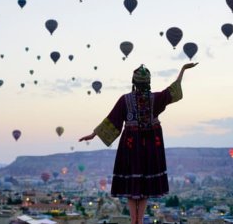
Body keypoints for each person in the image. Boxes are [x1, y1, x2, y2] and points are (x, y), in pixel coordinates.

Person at [79, 63, 198, 224]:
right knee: (145, 186)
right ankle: (139, 220)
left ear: (133, 82)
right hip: (150, 147)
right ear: (148, 82)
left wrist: (94, 134)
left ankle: (134, 219)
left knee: (132, 184)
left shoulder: (125, 100)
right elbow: (174, 90)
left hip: (130, 146)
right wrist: (182, 70)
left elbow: (112, 120)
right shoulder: (155, 98)